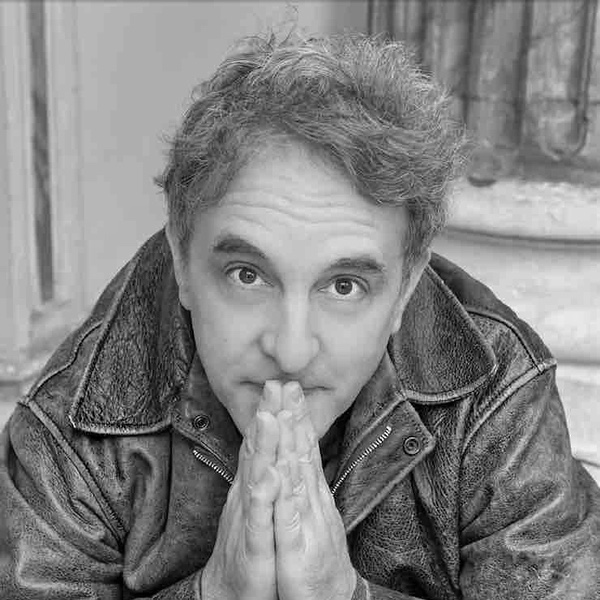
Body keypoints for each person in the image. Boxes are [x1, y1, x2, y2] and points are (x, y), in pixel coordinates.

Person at [1, 31, 599, 600]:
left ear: (405, 289)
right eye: (248, 275)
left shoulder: (497, 394)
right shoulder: (71, 426)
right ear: (182, 259)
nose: (290, 352)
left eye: (344, 286)